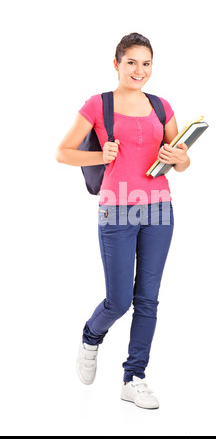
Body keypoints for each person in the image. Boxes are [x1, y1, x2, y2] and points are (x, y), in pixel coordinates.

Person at [56, 32, 190, 409]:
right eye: (131, 62)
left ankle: (134, 377)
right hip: (116, 208)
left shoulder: (162, 106)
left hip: (159, 209)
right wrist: (102, 155)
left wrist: (178, 155)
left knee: (147, 300)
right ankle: (90, 337)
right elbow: (62, 153)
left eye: (146, 63)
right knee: (118, 301)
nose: (139, 70)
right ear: (116, 64)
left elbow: (183, 162)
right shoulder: (99, 106)